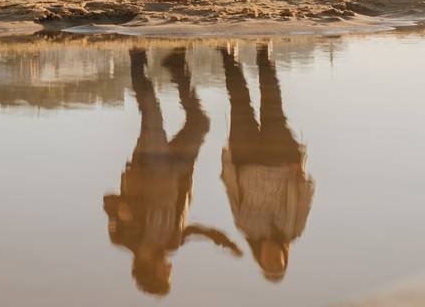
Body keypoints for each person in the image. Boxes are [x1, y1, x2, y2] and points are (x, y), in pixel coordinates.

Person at [104, 48, 240, 296]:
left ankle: (137, 58)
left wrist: (125, 212)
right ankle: (177, 67)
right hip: (177, 172)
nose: (170, 270)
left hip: (150, 165)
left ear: (152, 272)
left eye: (165, 275)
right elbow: (191, 231)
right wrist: (218, 238)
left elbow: (110, 202)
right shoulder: (171, 244)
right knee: (200, 123)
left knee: (151, 109)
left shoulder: (126, 239)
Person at [219, 44, 315, 283]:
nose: (272, 256)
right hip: (280, 158)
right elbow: (305, 197)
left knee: (239, 101)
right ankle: (263, 52)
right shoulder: (293, 229)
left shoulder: (245, 227)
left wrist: (228, 165)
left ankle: (227, 55)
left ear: (259, 257)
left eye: (268, 262)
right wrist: (300, 173)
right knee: (272, 101)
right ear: (284, 255)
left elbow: (233, 194)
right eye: (277, 261)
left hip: (245, 159)